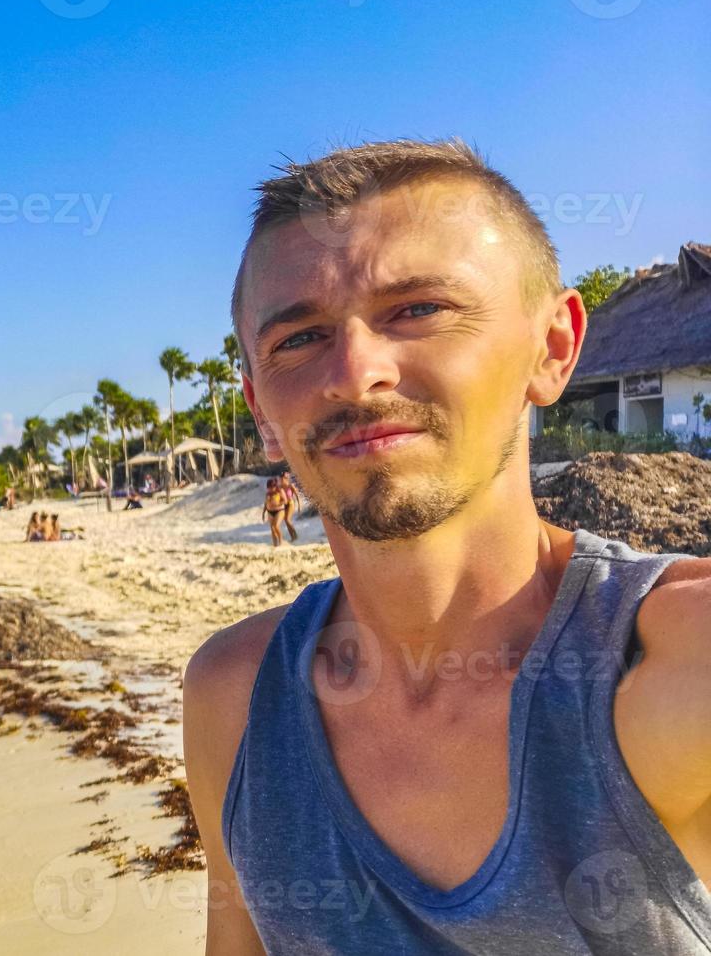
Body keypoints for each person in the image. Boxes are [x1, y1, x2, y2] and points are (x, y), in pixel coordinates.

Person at [181, 139, 711, 955]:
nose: (355, 374)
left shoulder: (664, 663)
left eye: (418, 309)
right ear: (259, 408)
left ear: (554, 347)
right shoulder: (234, 698)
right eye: (298, 339)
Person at [261, 477, 287, 547]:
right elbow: (266, 504)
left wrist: (278, 504)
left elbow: (285, 501)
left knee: (276, 526)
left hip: (279, 510)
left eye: (271, 487)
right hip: (270, 511)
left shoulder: (280, 491)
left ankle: (281, 541)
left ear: (275, 486)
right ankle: (275, 544)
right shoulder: (268, 494)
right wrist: (263, 513)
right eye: (268, 487)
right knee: (272, 528)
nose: (270, 489)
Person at [278, 470, 301, 542]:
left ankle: (295, 535)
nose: (281, 480)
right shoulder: (280, 487)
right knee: (286, 521)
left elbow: (297, 495)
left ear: (286, 478)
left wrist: (299, 506)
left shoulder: (290, 485)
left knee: (287, 520)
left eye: (283, 478)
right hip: (284, 504)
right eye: (280, 479)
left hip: (291, 503)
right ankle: (293, 537)